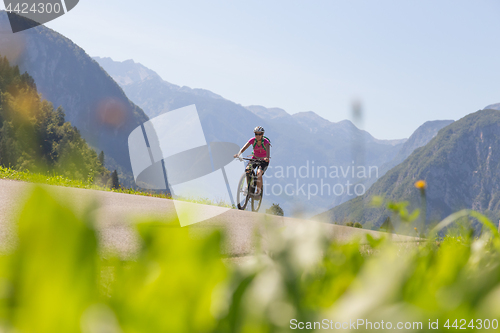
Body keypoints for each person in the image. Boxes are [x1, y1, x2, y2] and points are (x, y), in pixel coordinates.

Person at [233, 126, 270, 196]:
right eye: (256, 134)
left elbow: (268, 150)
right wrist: (238, 154)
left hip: (264, 161)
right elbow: (244, 148)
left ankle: (258, 192)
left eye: (259, 134)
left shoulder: (266, 142)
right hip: (254, 158)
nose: (258, 136)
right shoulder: (252, 140)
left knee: (259, 173)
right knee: (248, 170)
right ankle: (248, 186)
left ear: (262, 134)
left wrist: (267, 158)